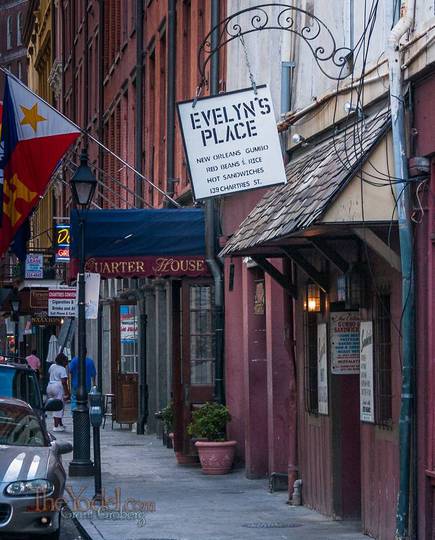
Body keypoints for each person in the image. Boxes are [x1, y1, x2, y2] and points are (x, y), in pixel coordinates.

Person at [46, 353, 70, 431]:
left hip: (50, 385)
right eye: (66, 362)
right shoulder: (62, 369)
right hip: (58, 387)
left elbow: (49, 373)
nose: (67, 364)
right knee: (59, 406)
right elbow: (64, 382)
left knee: (54, 404)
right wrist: (67, 392)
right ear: (63, 361)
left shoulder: (52, 366)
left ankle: (60, 424)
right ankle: (56, 426)